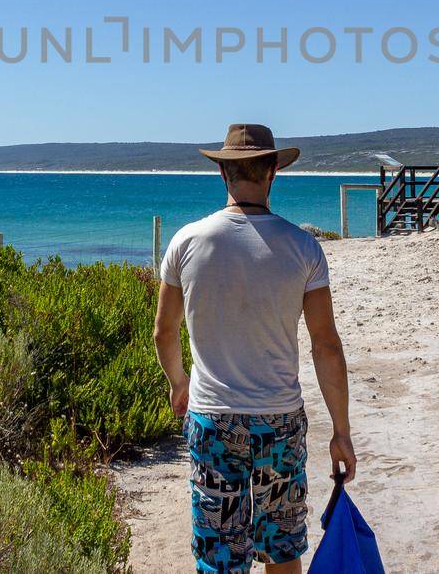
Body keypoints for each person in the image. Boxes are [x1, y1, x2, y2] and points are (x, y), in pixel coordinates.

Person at [153, 123, 355, 574]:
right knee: (281, 547)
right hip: (279, 421)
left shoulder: (186, 242)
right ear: (272, 173)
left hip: (212, 419)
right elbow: (327, 345)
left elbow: (164, 332)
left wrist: (178, 382)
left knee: (220, 557)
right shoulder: (303, 247)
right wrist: (341, 432)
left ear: (223, 175)